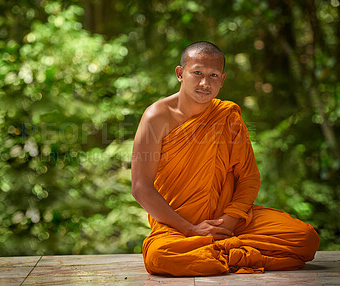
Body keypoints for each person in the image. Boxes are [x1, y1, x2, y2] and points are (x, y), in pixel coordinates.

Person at [131, 41, 320, 276]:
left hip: (229, 222)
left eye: (213, 75)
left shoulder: (227, 116)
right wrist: (191, 230)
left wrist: (225, 225)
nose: (205, 83)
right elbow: (141, 188)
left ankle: (214, 252)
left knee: (306, 238)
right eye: (197, 73)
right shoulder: (156, 117)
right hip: (177, 226)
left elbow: (249, 178)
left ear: (222, 80)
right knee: (160, 256)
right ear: (180, 73)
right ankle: (232, 254)